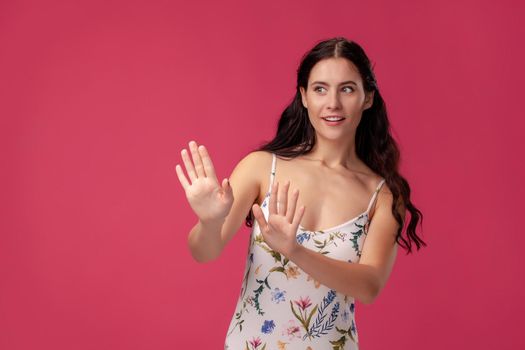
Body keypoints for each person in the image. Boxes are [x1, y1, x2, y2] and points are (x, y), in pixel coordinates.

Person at [175, 37, 426, 350]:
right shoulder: (261, 167)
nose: (332, 102)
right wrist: (211, 221)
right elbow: (204, 252)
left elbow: (369, 286)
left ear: (368, 98)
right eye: (320, 89)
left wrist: (295, 251)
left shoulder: (383, 196)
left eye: (347, 88)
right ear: (304, 96)